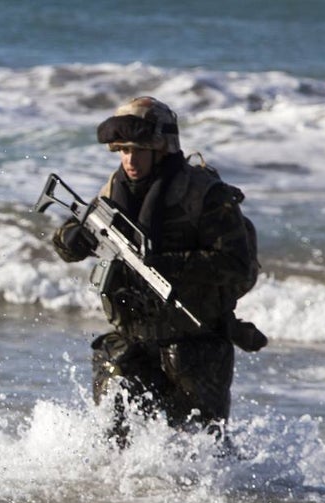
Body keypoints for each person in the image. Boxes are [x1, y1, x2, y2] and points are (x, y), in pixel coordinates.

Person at [50, 96, 262, 444]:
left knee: (205, 449)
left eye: (139, 150)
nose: (130, 160)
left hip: (194, 342)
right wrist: (71, 239)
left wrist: (165, 265)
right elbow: (69, 243)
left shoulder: (204, 194)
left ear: (161, 149)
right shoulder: (115, 190)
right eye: (123, 151)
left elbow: (236, 266)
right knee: (112, 439)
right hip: (133, 338)